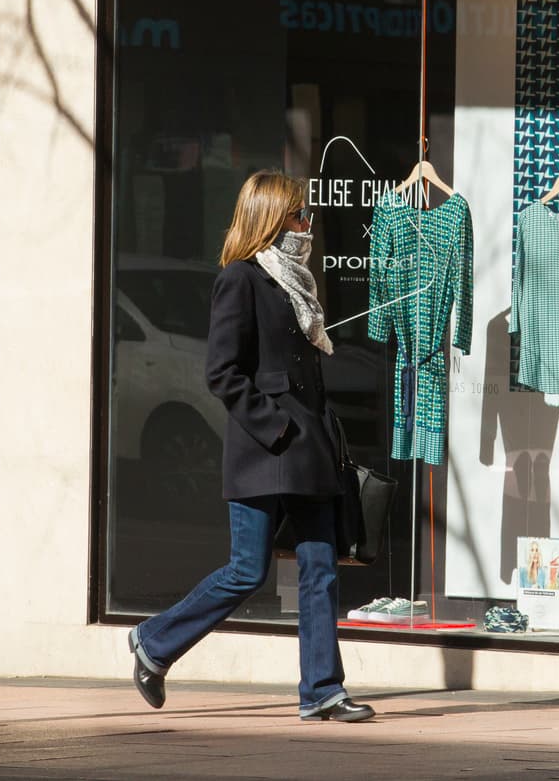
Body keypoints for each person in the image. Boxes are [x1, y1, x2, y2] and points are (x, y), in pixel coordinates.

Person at [125, 170, 375, 723]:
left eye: (307, 214)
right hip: (267, 449)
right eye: (299, 215)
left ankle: (322, 690)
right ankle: (154, 642)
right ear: (272, 219)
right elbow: (222, 372)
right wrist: (276, 427)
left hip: (310, 450)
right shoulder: (240, 279)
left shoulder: (297, 282)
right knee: (246, 570)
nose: (308, 224)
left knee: (320, 568)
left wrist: (314, 433)